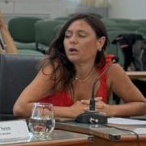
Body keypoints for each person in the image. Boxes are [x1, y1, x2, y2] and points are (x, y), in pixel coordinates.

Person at [14, 14, 146, 120]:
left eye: (81, 35)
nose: (72, 40)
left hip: (94, 140)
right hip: (54, 138)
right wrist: (70, 112)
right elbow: (20, 108)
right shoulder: (55, 68)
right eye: (67, 36)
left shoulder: (110, 69)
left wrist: (110, 110)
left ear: (100, 43)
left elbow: (142, 105)